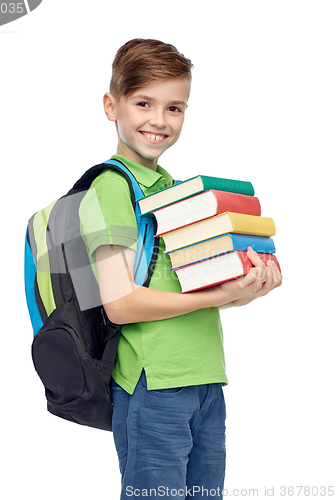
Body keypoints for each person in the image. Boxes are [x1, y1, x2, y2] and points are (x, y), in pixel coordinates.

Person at [80, 39, 282, 499]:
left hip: (205, 379)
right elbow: (121, 304)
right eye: (144, 103)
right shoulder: (112, 188)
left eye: (175, 107)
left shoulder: (172, 189)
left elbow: (182, 285)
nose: (159, 120)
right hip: (154, 385)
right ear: (112, 105)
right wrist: (218, 297)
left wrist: (245, 288)